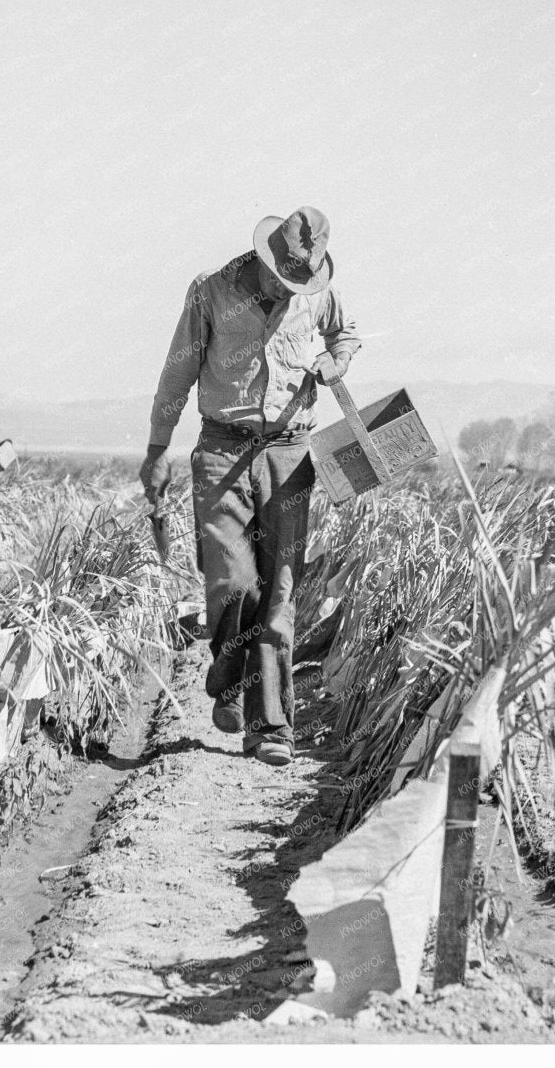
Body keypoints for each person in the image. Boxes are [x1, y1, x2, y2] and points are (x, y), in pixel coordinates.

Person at [141, 207, 360, 766]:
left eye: (299, 282)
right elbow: (177, 373)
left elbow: (345, 333)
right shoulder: (210, 292)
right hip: (221, 449)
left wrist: (337, 362)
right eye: (282, 278)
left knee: (281, 591)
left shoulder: (317, 295)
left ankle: (271, 727)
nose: (290, 290)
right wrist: (158, 447)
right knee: (234, 582)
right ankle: (231, 674)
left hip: (290, 453)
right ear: (264, 258)